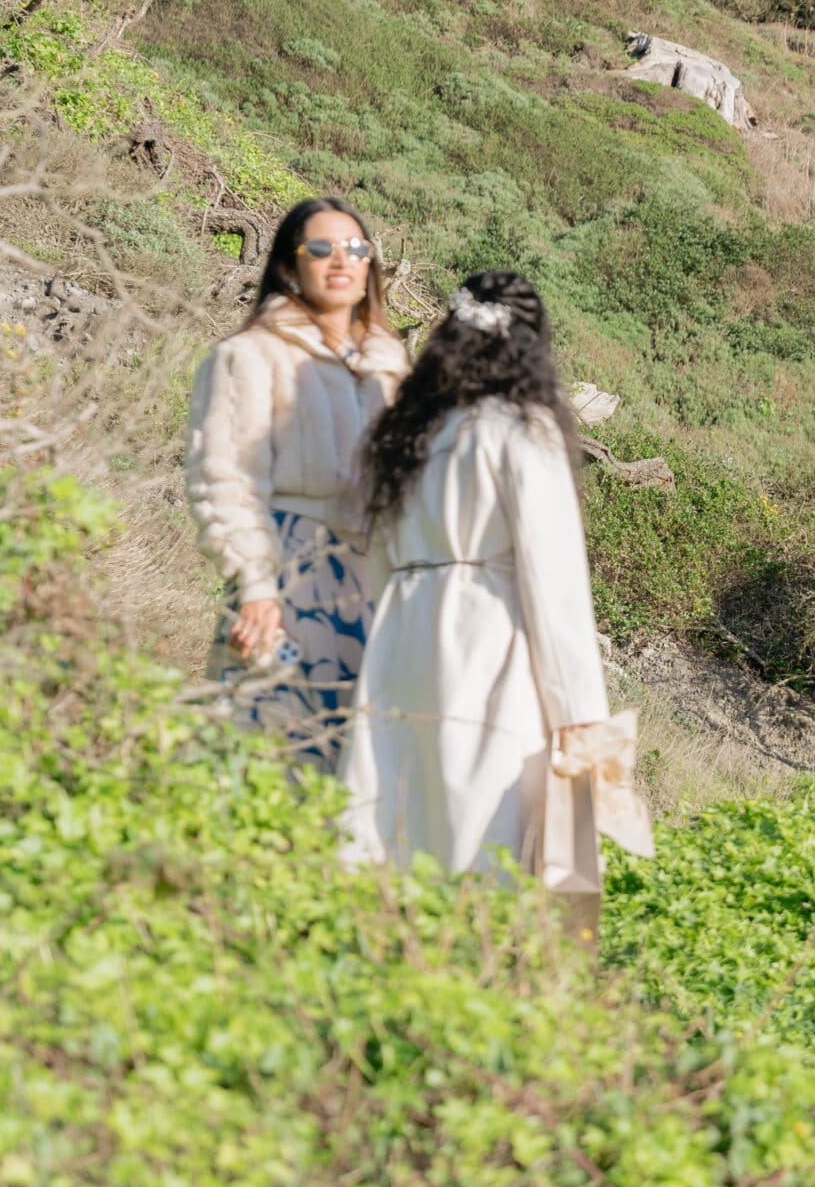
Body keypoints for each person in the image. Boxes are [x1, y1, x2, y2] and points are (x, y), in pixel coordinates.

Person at [337, 270, 610, 876]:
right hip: (489, 635)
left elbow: (376, 558)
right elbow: (553, 574)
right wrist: (581, 709)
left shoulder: (404, 433)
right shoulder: (520, 429)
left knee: (401, 809)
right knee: (482, 818)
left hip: (403, 635)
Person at [185, 196, 409, 769]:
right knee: (266, 754)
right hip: (290, 574)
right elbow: (226, 478)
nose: (342, 260)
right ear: (291, 264)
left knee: (361, 774)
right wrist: (256, 588)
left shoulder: (391, 366)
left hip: (377, 583)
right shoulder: (249, 355)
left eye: (357, 248)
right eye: (321, 247)